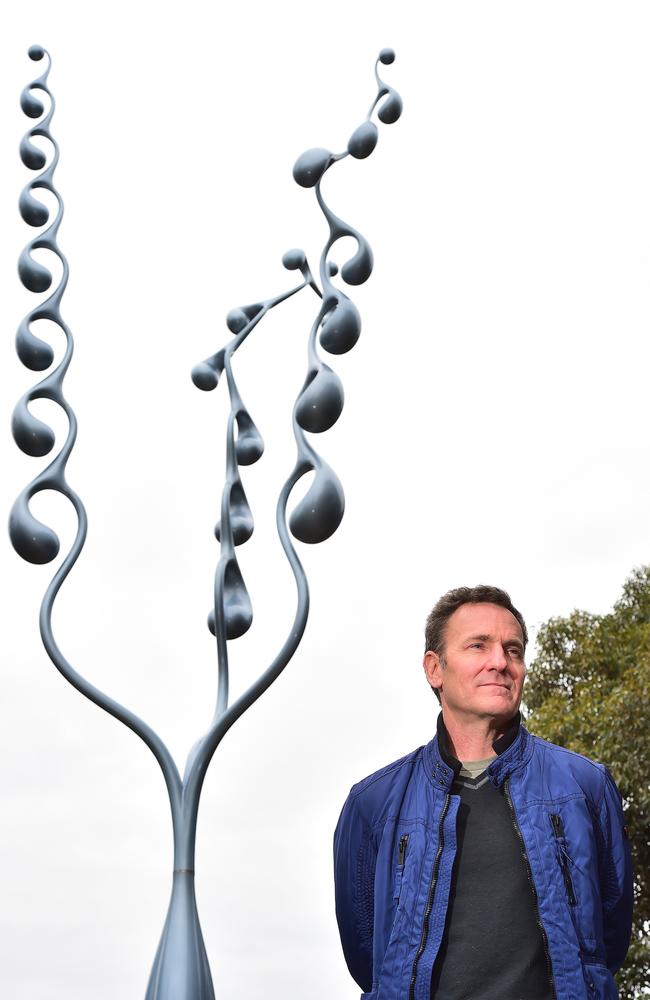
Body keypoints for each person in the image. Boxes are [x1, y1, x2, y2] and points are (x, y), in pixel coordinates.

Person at [333, 585, 633, 1000]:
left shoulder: (585, 785)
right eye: (479, 646)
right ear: (434, 669)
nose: (500, 662)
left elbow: (608, 938)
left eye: (513, 650)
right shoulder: (374, 803)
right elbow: (368, 954)